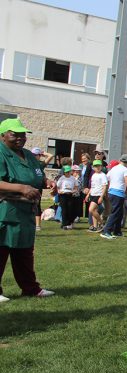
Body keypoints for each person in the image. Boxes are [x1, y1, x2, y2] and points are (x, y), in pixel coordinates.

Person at [0, 118, 56, 302]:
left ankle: (31, 288)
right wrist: (21, 188)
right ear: (3, 136)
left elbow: (37, 175)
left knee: (24, 252)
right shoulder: (1, 153)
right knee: (2, 249)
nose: (20, 138)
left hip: (25, 212)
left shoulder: (28, 155)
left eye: (23, 135)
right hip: (5, 210)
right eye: (14, 134)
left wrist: (47, 182)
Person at [101, 154, 127, 239]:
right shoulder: (126, 170)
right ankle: (106, 231)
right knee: (115, 213)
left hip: (111, 192)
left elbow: (107, 178)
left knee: (120, 213)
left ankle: (117, 231)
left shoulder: (114, 168)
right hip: (118, 193)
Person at [85, 160, 107, 232]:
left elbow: (104, 186)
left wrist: (101, 196)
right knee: (94, 211)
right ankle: (95, 226)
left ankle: (101, 223)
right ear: (93, 167)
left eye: (99, 166)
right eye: (96, 166)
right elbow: (92, 186)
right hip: (93, 194)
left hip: (98, 194)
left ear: (101, 167)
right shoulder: (94, 175)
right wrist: (88, 194)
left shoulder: (103, 175)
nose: (97, 167)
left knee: (91, 210)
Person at [56, 165, 80, 230]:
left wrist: (74, 190)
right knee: (64, 210)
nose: (68, 173)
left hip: (70, 195)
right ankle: (64, 224)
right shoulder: (62, 178)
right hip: (63, 195)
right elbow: (58, 186)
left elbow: (76, 186)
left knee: (70, 209)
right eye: (66, 172)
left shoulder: (73, 178)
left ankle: (69, 223)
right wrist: (59, 191)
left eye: (69, 172)